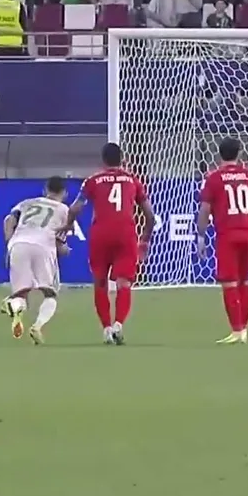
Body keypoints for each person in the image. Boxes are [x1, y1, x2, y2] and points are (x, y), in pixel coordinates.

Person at [68, 143, 154, 345]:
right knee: (124, 283)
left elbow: (75, 208)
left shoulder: (93, 180)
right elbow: (149, 215)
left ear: (103, 160)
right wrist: (144, 240)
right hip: (125, 234)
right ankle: (118, 324)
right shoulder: (133, 180)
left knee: (100, 282)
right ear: (121, 159)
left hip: (100, 234)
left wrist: (67, 226)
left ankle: (106, 328)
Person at [196, 137, 248, 344]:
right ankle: (243, 329)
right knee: (245, 282)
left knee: (229, 283)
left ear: (219, 154)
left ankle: (237, 330)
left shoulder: (214, 179)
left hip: (227, 237)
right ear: (239, 154)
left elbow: (204, 211)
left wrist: (201, 237)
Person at [1, 176, 72, 344]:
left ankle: (15, 306)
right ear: (65, 193)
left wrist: (10, 242)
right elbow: (59, 241)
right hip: (43, 246)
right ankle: (37, 326)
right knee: (50, 294)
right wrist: (64, 250)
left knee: (21, 293)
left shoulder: (27, 203)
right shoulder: (64, 210)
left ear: (45, 190)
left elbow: (8, 220)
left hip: (18, 244)